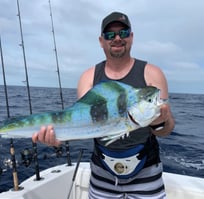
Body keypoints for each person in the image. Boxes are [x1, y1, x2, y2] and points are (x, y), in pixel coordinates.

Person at [32, 11, 175, 199]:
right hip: (102, 174)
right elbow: (83, 126)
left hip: (146, 172)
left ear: (131, 37)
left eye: (123, 33)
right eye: (110, 35)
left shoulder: (153, 74)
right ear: (101, 41)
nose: (117, 38)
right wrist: (56, 138)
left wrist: (160, 122)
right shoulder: (88, 77)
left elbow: (166, 129)